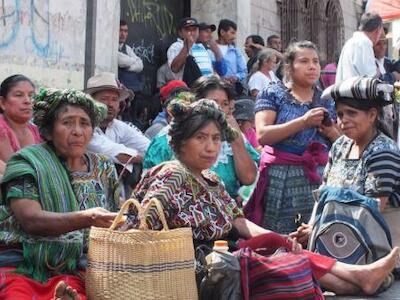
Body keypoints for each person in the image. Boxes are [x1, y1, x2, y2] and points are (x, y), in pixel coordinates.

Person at [126, 99, 399, 296]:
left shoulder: (211, 180)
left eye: (215, 139)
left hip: (223, 255)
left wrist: (278, 239)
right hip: (190, 265)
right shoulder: (171, 174)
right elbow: (140, 227)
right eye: (201, 138)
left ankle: (361, 279)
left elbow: (239, 222)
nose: (211, 147)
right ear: (180, 141)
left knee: (284, 249)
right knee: (275, 255)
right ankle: (360, 277)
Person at [0, 88, 120, 299]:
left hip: (77, 269)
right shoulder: (27, 163)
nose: (77, 131)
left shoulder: (104, 167)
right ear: (48, 131)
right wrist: (88, 218)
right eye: (67, 122)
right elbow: (31, 220)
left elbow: (116, 218)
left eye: (84, 123)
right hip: (24, 266)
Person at [244, 41, 341, 234]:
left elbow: (341, 142)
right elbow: (262, 135)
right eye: (304, 61)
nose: (312, 66)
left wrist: (330, 131)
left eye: (315, 61)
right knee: (281, 236)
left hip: (318, 177)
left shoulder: (325, 99)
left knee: (315, 233)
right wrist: (303, 122)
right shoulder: (273, 92)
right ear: (289, 66)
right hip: (281, 177)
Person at [292, 77, 400, 245]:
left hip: (375, 250)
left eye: (352, 113)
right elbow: (323, 193)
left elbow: (372, 211)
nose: (343, 120)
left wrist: (320, 228)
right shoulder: (340, 146)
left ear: (372, 115)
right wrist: (312, 225)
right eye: (340, 114)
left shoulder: (383, 152)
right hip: (338, 242)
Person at [143, 75, 259, 199]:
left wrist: (236, 141)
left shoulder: (232, 134)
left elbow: (249, 178)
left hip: (223, 209)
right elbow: (152, 188)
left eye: (225, 104)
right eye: (213, 102)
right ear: (196, 103)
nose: (219, 109)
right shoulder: (170, 136)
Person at [85, 72, 150, 167]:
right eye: (104, 99)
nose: (110, 104)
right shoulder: (84, 127)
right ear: (91, 101)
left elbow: (148, 146)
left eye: (114, 99)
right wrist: (150, 158)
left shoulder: (118, 126)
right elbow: (115, 153)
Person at [336, 12, 400, 83]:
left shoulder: (351, 42)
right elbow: (373, 80)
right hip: (354, 92)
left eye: (384, 43)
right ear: (377, 31)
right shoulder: (364, 43)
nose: (382, 47)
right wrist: (393, 76)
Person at [0, 75, 42, 177]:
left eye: (31, 95)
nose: (27, 101)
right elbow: (11, 171)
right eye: (19, 95)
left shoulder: (35, 130)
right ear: (2, 103)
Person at [167, 17, 214, 86]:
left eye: (194, 29)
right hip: (188, 89)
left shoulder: (201, 47)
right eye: (187, 30)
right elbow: (175, 68)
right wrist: (187, 46)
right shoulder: (176, 46)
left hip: (207, 88)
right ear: (180, 33)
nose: (191, 33)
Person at [216, 19, 248, 95]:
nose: (234, 37)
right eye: (232, 33)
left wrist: (235, 77)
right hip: (214, 88)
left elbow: (244, 71)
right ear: (222, 32)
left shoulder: (235, 51)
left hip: (231, 90)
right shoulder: (209, 49)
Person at [118, 20, 144, 95]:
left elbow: (140, 65)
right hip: (121, 91)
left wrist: (127, 67)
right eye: (120, 30)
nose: (123, 34)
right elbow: (121, 60)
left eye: (125, 31)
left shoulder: (127, 48)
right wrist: (133, 61)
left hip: (135, 90)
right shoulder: (111, 47)